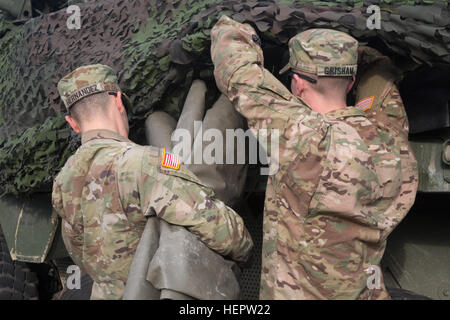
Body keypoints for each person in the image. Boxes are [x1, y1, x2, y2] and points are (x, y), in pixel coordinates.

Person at [210, 16, 418, 299]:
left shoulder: (304, 137)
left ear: (297, 85)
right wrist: (350, 56)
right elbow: (383, 87)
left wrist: (232, 28)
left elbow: (236, 74)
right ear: (351, 82)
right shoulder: (391, 139)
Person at [51, 64, 253, 300]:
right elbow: (214, 225)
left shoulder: (62, 183)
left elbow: (80, 255)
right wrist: (245, 247)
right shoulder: (145, 162)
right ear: (118, 102)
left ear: (72, 123)